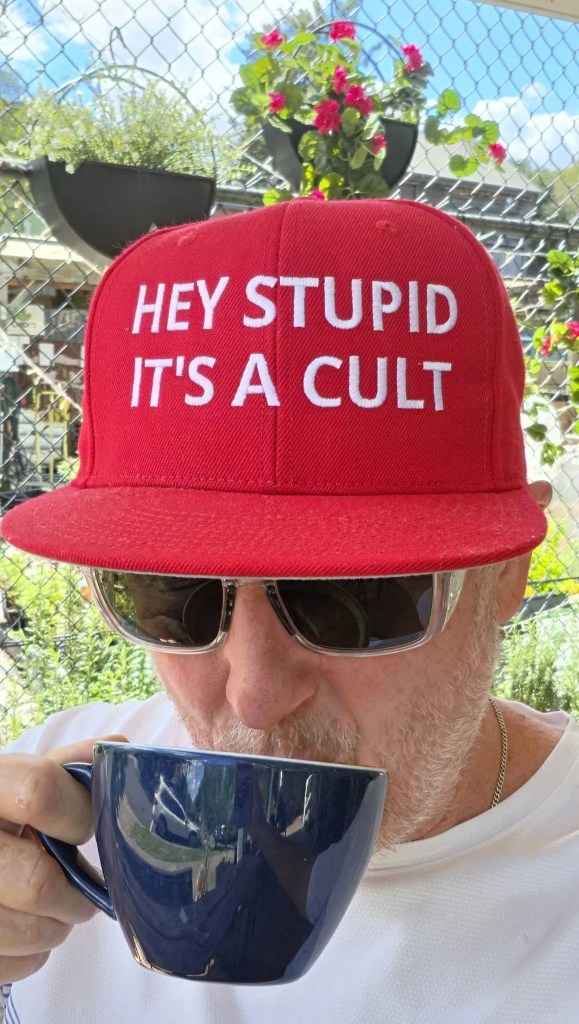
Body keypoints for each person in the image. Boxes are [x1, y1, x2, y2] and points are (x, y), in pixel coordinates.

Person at [0, 197, 576, 1024]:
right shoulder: (39, 826)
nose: (254, 697)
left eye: (352, 599)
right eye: (173, 595)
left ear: (507, 573)